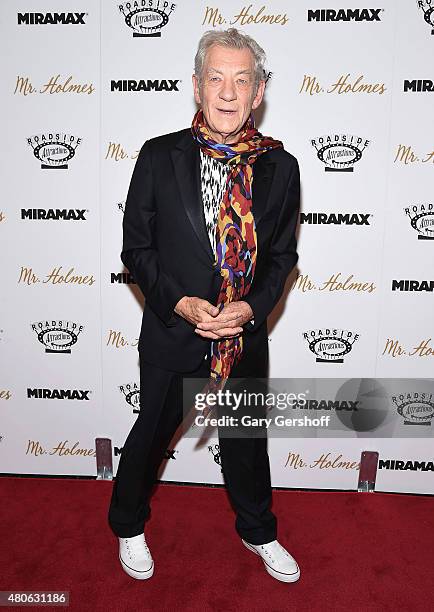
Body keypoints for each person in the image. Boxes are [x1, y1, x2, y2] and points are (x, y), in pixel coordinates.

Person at [108, 27, 301, 584]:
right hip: (175, 328)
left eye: (242, 80)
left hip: (242, 333)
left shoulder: (281, 168)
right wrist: (182, 303)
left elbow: (281, 258)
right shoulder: (157, 155)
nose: (227, 91)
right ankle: (127, 523)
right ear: (197, 85)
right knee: (152, 433)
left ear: (259, 91)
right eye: (216, 77)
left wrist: (250, 309)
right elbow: (136, 250)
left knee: (245, 438)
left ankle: (259, 531)